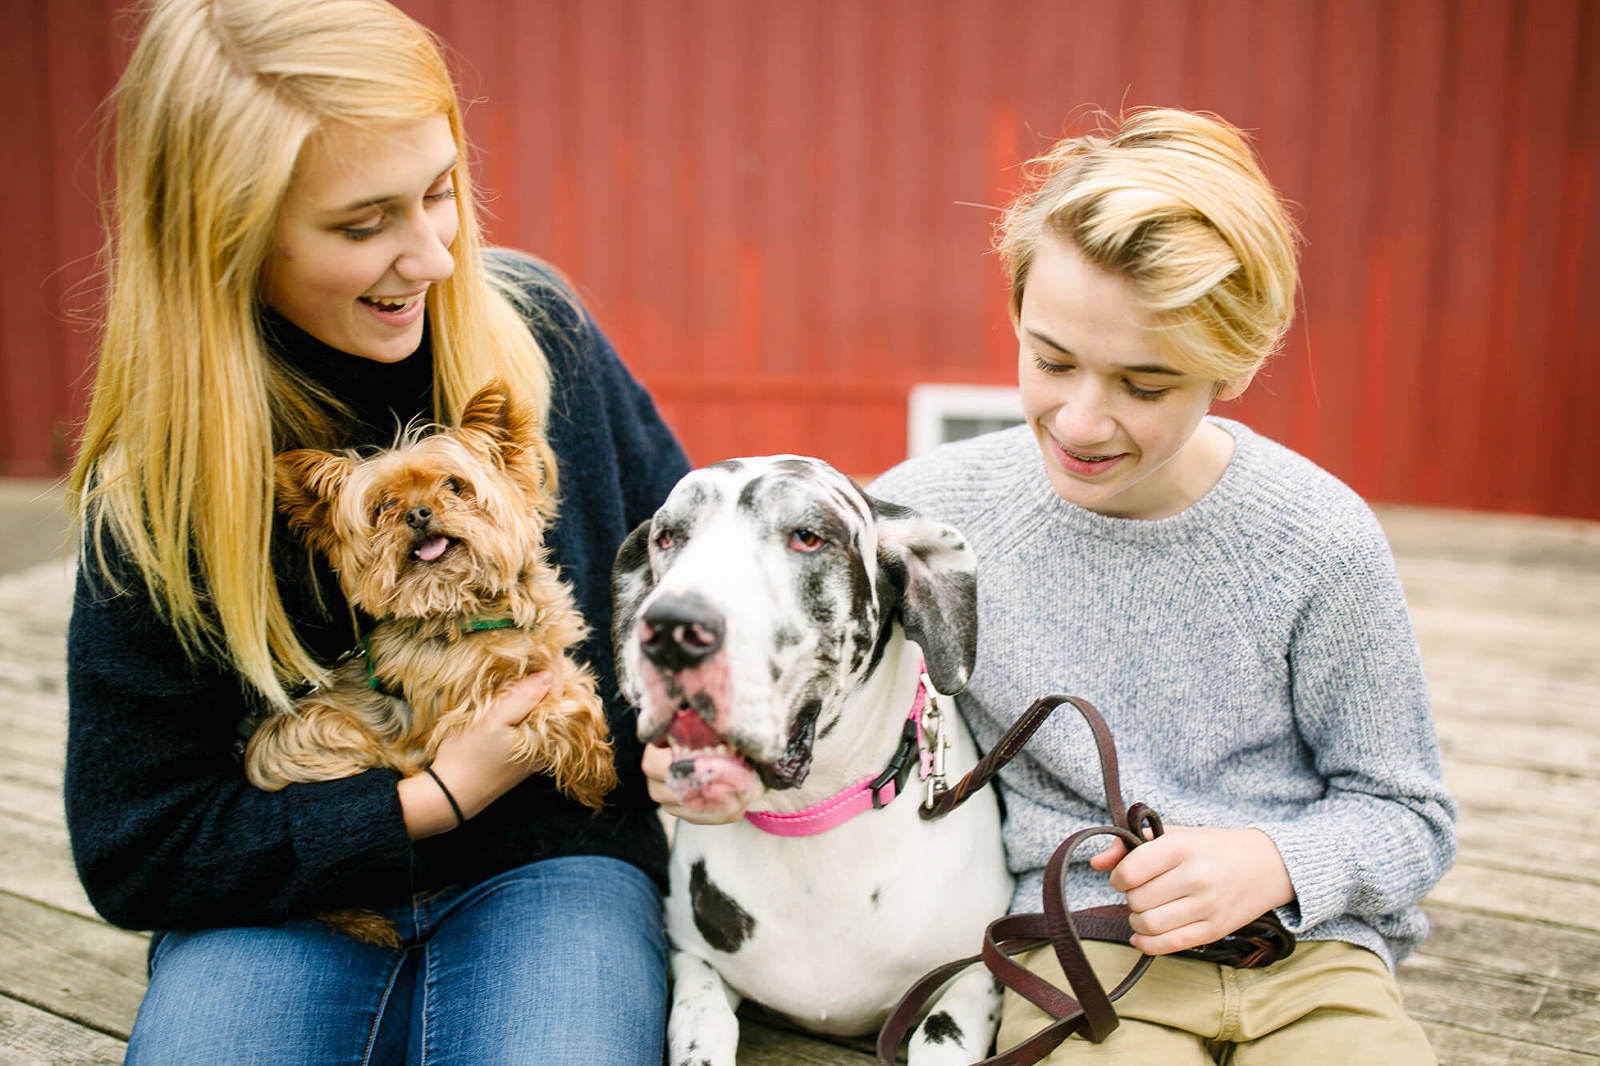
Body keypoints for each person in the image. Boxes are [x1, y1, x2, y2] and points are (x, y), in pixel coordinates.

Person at [64, 1, 688, 1062]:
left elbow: (696, 588)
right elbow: (140, 846)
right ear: (227, 236)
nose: (435, 255)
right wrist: (430, 800)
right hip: (280, 904)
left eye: (441, 191)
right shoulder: (159, 490)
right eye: (364, 226)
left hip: (557, 862)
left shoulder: (541, 335)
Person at [863, 108, 1457, 1063]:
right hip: (1084, 960)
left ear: (1236, 365)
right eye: (1051, 360)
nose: (1084, 419)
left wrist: (1273, 861)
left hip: (1311, 962)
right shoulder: (923, 520)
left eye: (1145, 385)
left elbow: (1412, 817)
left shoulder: (1320, 538)